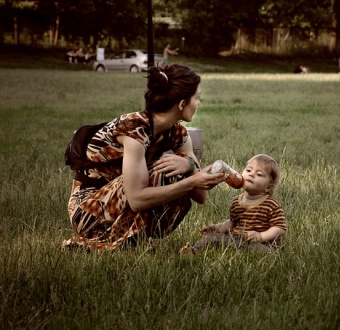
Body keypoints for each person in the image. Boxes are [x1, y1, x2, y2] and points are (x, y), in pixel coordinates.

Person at [63, 64, 226, 251]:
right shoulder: (133, 129)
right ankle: (113, 240)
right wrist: (191, 181)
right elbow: (137, 199)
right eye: (197, 98)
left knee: (174, 168)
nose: (198, 103)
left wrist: (190, 165)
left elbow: (201, 196)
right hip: (88, 211)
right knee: (161, 173)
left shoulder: (178, 134)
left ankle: (132, 242)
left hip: (120, 203)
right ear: (182, 104)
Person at [180, 154, 287, 255]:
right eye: (248, 170)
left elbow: (279, 228)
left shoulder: (271, 204)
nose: (251, 174)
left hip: (261, 245)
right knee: (211, 237)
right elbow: (232, 223)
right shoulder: (236, 202)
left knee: (262, 251)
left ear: (268, 186)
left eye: (259, 174)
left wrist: (261, 236)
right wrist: (216, 228)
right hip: (237, 241)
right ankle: (193, 251)